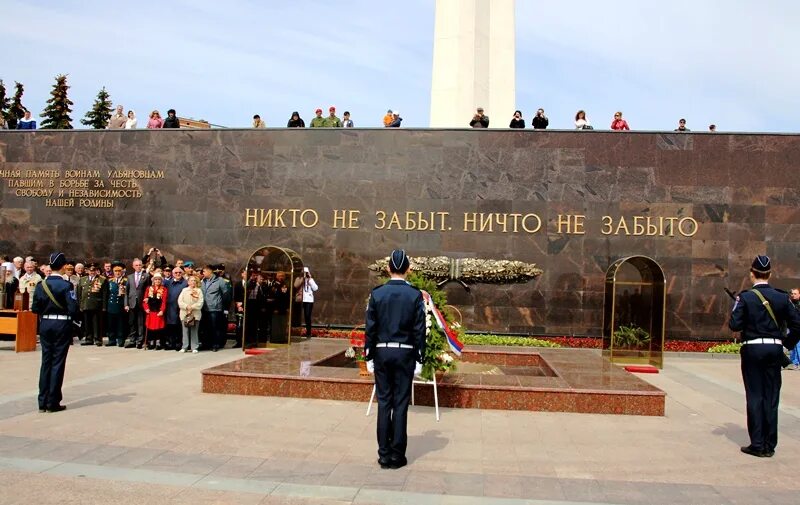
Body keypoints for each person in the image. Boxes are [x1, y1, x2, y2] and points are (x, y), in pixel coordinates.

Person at [729, 255, 800, 457]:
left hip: (752, 349)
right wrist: (785, 344)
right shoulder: (781, 297)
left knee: (755, 395)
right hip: (774, 350)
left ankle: (757, 443)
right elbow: (798, 324)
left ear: (752, 273)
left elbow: (734, 325)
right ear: (770, 273)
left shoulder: (745, 297)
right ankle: (770, 444)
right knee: (771, 397)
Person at [365, 249, 426, 470]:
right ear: (408, 269)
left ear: (388, 268)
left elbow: (370, 328)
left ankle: (383, 455)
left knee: (384, 403)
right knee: (400, 404)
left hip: (381, 352)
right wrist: (420, 356)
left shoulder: (378, 293)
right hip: (405, 353)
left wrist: (368, 355)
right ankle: (397, 455)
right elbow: (420, 329)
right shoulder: (415, 295)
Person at [31, 252, 78, 413]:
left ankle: (42, 401)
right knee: (57, 362)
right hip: (61, 324)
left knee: (46, 362)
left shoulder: (40, 285)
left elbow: (34, 308)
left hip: (45, 323)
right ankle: (53, 401)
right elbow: (73, 308)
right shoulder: (66, 285)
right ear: (64, 266)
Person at [76, 262, 108, 346]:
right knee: (87, 322)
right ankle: (88, 338)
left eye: (94, 270)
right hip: (86, 304)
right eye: (90, 271)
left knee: (97, 322)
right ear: (87, 271)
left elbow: (105, 294)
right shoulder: (83, 279)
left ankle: (98, 339)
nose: (92, 272)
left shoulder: (102, 279)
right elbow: (79, 293)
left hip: (97, 304)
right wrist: (80, 305)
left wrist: (104, 306)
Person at [201, 265, 229, 351]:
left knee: (215, 327)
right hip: (204, 308)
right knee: (206, 327)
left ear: (210, 271)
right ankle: (207, 344)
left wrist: (224, 307)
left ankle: (215, 344)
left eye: (204, 271)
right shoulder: (203, 281)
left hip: (215, 308)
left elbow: (226, 294)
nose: (203, 273)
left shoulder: (220, 280)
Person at [124, 258, 149, 348]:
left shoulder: (146, 276)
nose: (138, 267)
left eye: (140, 265)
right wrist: (126, 304)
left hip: (142, 302)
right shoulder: (130, 277)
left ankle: (140, 340)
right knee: (132, 322)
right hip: (132, 302)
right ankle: (132, 340)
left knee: (141, 322)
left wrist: (147, 299)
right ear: (133, 266)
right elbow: (126, 291)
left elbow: (148, 289)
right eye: (136, 265)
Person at [178, 275, 204, 352]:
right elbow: (180, 301)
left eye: (194, 281)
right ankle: (184, 346)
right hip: (184, 313)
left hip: (195, 314)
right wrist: (186, 307)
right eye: (191, 280)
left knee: (194, 330)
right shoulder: (184, 290)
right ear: (188, 282)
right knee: (185, 330)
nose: (193, 282)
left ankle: (194, 347)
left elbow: (200, 302)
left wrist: (192, 307)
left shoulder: (199, 291)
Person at [164, 266, 188, 351]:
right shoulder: (168, 283)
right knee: (170, 326)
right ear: (173, 274)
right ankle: (171, 343)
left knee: (179, 326)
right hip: (170, 308)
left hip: (180, 308)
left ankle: (179, 343)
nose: (178, 274)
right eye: (176, 273)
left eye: (180, 273)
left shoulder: (185, 283)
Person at [143, 273, 168, 349]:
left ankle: (158, 342)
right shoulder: (149, 288)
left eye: (159, 279)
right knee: (150, 327)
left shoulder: (164, 289)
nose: (157, 281)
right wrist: (146, 308)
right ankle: (151, 341)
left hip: (158, 311)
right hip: (150, 311)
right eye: (156, 279)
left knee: (158, 327)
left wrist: (162, 310)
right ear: (153, 280)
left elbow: (164, 301)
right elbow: (145, 300)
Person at [106, 261, 127, 347]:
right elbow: (107, 293)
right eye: (116, 271)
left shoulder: (126, 281)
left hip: (121, 305)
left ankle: (121, 339)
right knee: (111, 324)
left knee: (120, 324)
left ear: (122, 272)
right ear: (113, 272)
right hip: (111, 305)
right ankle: (112, 339)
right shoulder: (110, 281)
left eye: (119, 271)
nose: (117, 273)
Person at [294, 267, 318, 338]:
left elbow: (316, 288)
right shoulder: (299, 278)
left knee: (307, 316)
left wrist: (309, 280)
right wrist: (302, 279)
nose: (305, 274)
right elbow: (295, 285)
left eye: (306, 273)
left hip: (308, 300)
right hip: (300, 299)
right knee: (297, 316)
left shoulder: (311, 280)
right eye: (304, 273)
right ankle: (295, 331)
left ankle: (308, 332)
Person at [789, 288, 800, 370]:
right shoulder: (789, 303)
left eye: (795, 293)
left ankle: (796, 362)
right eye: (792, 293)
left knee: (797, 345)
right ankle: (794, 362)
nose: (793, 295)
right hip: (792, 327)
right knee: (794, 345)